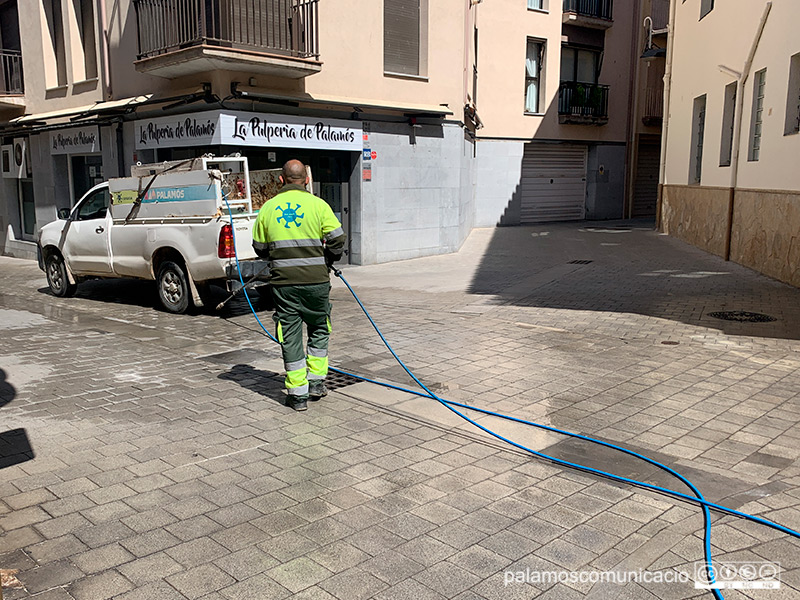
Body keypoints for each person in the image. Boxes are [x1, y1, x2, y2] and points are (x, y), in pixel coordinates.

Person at [252, 160, 346, 411]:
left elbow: (260, 248)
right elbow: (338, 239)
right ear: (306, 180)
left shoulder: (269, 208)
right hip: (316, 281)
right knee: (319, 327)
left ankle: (297, 396)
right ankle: (316, 383)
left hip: (284, 285)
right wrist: (327, 258)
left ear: (281, 180)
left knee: (290, 335)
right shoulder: (319, 205)